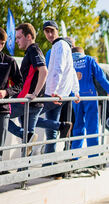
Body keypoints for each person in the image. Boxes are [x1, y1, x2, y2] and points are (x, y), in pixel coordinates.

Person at [7, 23, 72, 154]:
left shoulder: (33, 50)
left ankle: (26, 135)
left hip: (26, 100)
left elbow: (44, 71)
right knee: (28, 143)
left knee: (2, 115)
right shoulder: (35, 50)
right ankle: (60, 126)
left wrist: (35, 93)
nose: (16, 41)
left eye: (19, 37)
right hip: (33, 102)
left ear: (29, 36)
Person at [39, 20, 80, 154]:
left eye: (52, 31)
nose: (50, 34)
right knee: (50, 133)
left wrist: (54, 92)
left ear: (57, 31)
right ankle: (49, 165)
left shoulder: (60, 45)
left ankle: (61, 126)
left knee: (26, 117)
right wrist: (75, 91)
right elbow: (72, 70)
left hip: (54, 95)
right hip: (59, 94)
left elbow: (59, 69)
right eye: (47, 31)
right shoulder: (61, 46)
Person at [71, 47, 109, 151]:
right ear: (82, 53)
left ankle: (74, 155)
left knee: (78, 126)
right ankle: (93, 155)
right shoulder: (89, 60)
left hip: (75, 97)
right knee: (92, 127)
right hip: (90, 96)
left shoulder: (69, 61)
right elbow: (101, 77)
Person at [0, 26, 23, 161]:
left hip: (2, 110)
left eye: (3, 43)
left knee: (0, 147)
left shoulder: (9, 61)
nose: (1, 45)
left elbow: (20, 84)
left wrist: (6, 92)